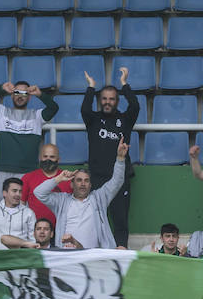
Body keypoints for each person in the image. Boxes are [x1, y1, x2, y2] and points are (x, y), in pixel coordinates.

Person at [33, 141, 129, 250]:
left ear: (90, 185)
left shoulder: (99, 198)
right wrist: (59, 178)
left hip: (94, 255)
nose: (83, 183)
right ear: (72, 184)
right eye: (79, 180)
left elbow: (117, 182)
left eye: (86, 180)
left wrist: (120, 159)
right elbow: (39, 193)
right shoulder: (61, 200)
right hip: (68, 254)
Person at [80, 70, 138, 245]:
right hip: (97, 178)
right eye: (104, 98)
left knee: (120, 221)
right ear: (100, 100)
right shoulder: (93, 119)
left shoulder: (125, 120)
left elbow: (135, 106)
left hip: (120, 178)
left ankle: (120, 254)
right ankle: (94, 254)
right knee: (94, 220)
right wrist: (91, 87)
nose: (107, 102)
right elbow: (84, 108)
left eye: (111, 99)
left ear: (117, 101)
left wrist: (124, 84)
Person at [0, 80, 58, 203]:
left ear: (29, 97)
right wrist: (1, 88)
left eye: (24, 93)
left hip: (28, 173)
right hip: (4, 171)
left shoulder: (37, 116)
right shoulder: (1, 113)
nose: (20, 96)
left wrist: (40, 94)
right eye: (17, 92)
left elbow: (54, 108)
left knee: (26, 214)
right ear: (12, 95)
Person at [0, 178, 36, 251]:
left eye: (20, 191)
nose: (18, 194)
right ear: (4, 193)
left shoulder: (29, 213)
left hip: (20, 258)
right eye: (14, 191)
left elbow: (32, 239)